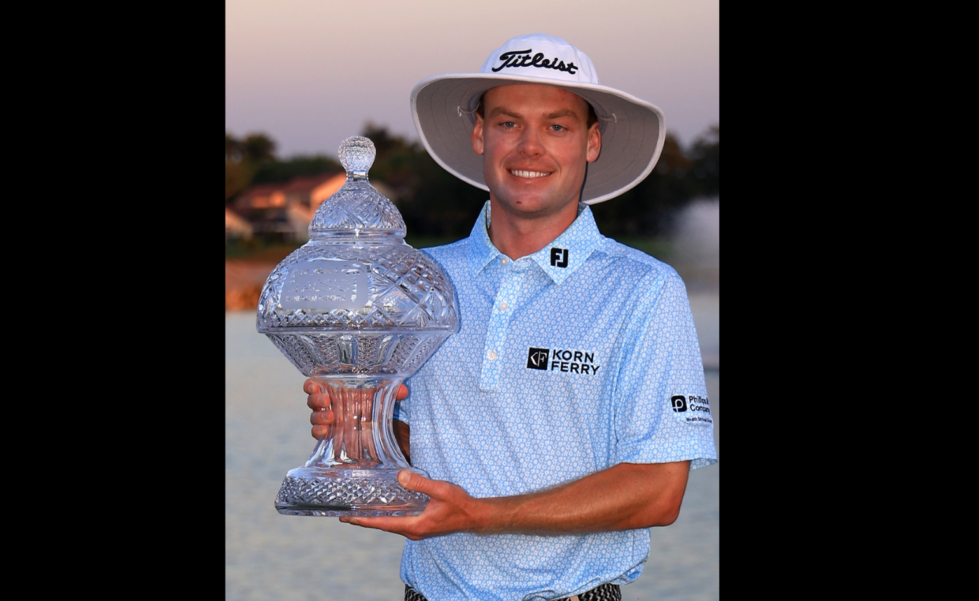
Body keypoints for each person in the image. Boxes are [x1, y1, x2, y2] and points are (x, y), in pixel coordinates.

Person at [304, 33, 717, 601]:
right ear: (480, 133)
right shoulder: (417, 280)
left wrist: (480, 516)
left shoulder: (644, 289)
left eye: (557, 126)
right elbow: (416, 446)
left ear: (591, 141)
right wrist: (357, 426)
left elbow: (658, 491)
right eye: (508, 123)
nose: (529, 148)